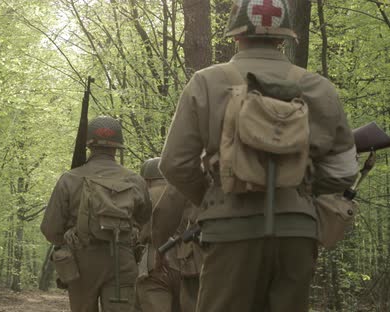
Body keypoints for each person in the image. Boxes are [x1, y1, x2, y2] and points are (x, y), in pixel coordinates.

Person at [159, 1, 358, 311]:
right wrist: (302, 191)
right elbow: (344, 170)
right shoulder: (319, 87)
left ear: (236, 35)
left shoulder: (207, 82)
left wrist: (215, 196)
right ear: (284, 38)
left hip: (228, 228)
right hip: (297, 230)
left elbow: (174, 163)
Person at [41, 116, 152, 312]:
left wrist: (69, 238)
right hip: (122, 260)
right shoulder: (135, 180)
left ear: (89, 145)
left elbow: (50, 229)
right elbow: (144, 219)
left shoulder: (69, 179)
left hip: (81, 261)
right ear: (118, 147)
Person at [133, 157, 202, 312]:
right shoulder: (188, 190)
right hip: (190, 262)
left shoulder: (142, 195)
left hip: (154, 263)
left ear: (147, 179)